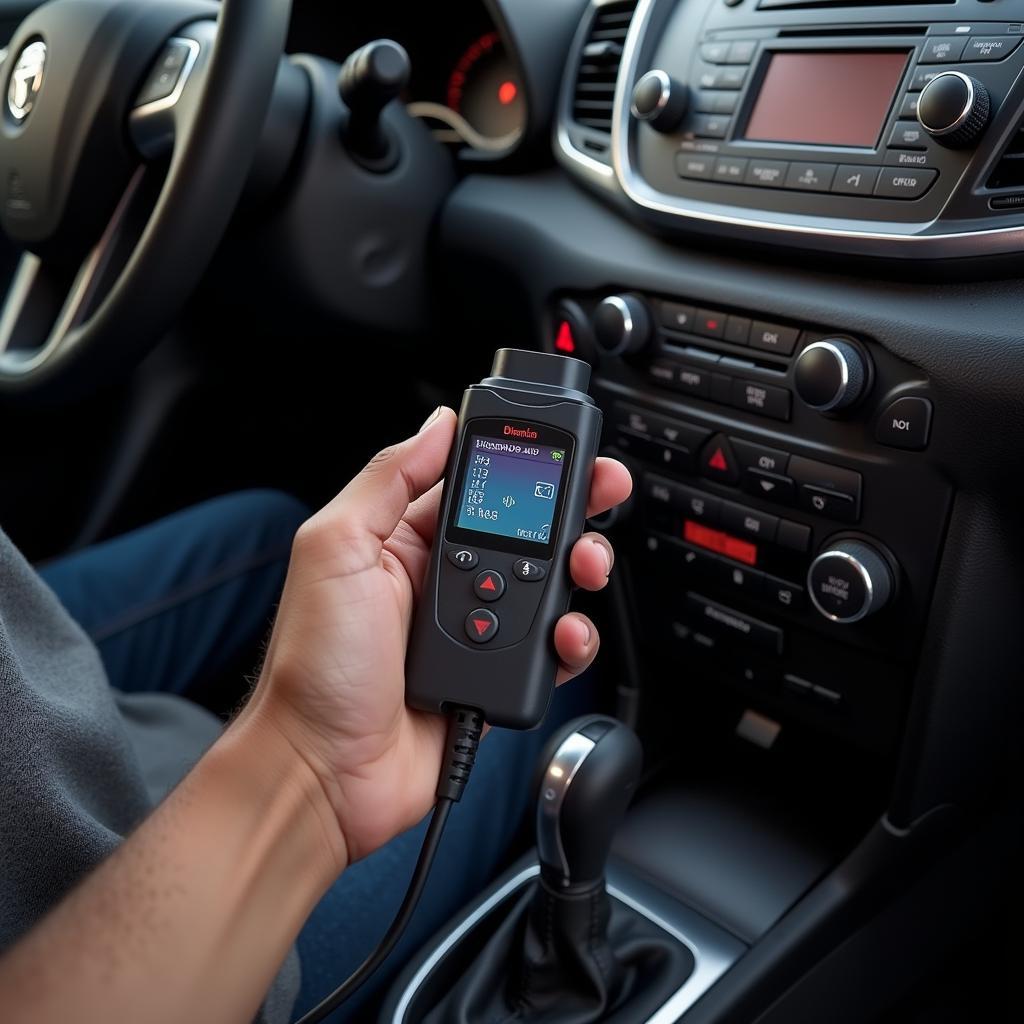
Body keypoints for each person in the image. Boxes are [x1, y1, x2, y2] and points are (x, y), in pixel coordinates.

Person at [0, 406, 632, 1024]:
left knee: (271, 526)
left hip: (34, 670)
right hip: (142, 930)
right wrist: (309, 769)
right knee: (568, 687)